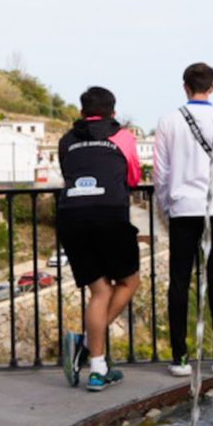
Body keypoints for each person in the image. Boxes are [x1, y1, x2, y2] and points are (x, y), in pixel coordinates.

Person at [154, 62, 213, 375]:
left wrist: (167, 206)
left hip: (182, 209)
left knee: (179, 281)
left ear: (185, 87)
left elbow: (161, 173)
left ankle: (180, 356)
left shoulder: (168, 122)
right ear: (212, 88)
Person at [58, 86, 143, 392]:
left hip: (71, 217)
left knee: (99, 291)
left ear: (82, 113)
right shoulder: (123, 137)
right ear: (113, 112)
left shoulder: (67, 140)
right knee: (129, 282)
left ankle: (97, 366)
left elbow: (67, 171)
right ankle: (86, 346)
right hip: (109, 214)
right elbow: (133, 177)